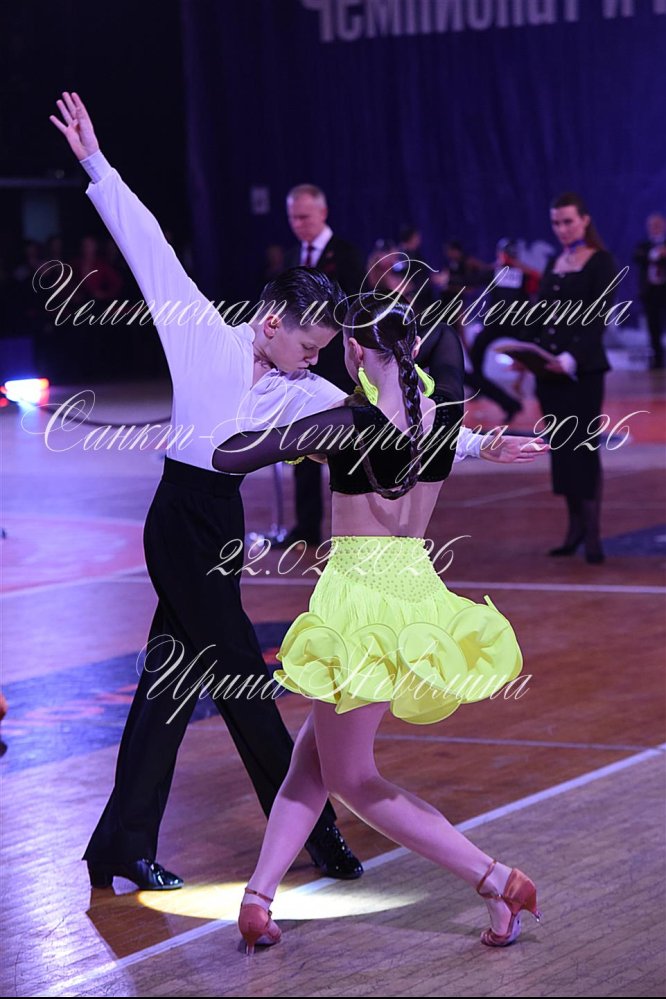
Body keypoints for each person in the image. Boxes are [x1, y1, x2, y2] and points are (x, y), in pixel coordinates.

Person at [49, 91, 365, 889]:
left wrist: (472, 435)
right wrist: (95, 160)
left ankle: (118, 843)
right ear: (272, 321)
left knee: (167, 682)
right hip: (179, 520)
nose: (313, 361)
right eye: (308, 345)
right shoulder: (200, 332)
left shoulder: (303, 387)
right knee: (244, 682)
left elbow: (374, 425)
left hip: (220, 523)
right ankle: (315, 831)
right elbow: (147, 243)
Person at [213, 294, 548, 954]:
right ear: (412, 349)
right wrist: (484, 441)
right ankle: (258, 897)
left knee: (353, 778)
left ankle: (496, 878)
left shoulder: (345, 419)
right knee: (313, 759)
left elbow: (230, 455)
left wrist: (260, 390)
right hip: (414, 594)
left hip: (359, 602)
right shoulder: (438, 416)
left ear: (352, 350)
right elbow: (445, 389)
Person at [518, 192, 617, 564]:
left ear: (585, 220)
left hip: (583, 373)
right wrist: (524, 350)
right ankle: (574, 528)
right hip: (549, 373)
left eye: (568, 221)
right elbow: (540, 316)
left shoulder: (601, 261)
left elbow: (598, 318)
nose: (562, 229)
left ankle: (592, 533)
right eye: (556, 222)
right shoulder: (554, 263)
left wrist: (571, 358)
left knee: (582, 448)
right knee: (560, 449)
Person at [280, 183, 366, 547]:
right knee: (301, 446)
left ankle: (353, 528)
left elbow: (355, 310)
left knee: (344, 446)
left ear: (322, 213)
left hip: (337, 366)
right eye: (293, 218)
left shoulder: (347, 255)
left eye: (304, 216)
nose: (298, 224)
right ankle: (307, 525)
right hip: (299, 368)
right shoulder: (292, 257)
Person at [633, 212, 666, 370]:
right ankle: (657, 358)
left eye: (658, 225)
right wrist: (655, 254)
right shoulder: (644, 246)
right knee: (653, 325)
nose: (655, 228)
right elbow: (637, 257)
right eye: (652, 226)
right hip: (651, 292)